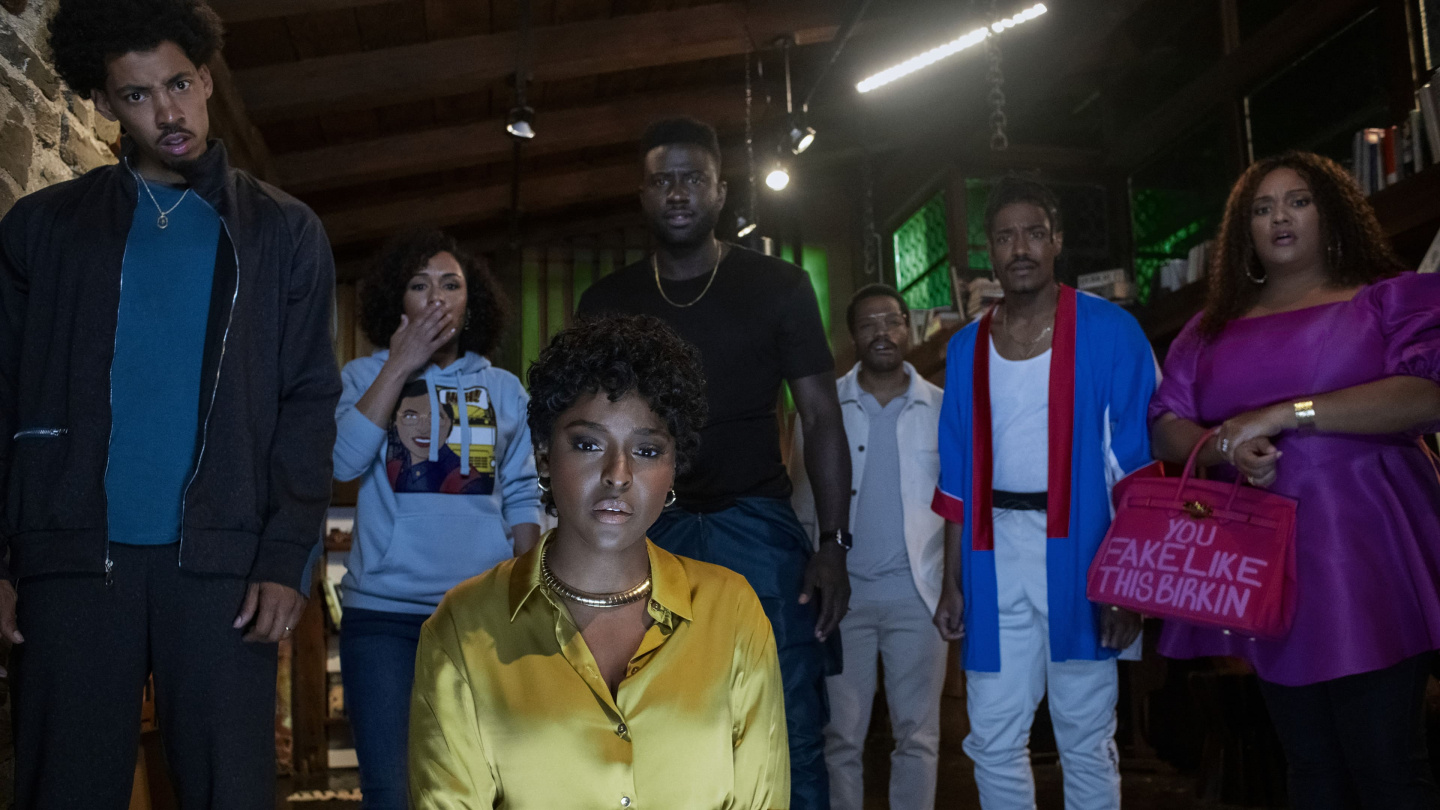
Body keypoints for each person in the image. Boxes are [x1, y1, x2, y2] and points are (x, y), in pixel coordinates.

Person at [0, 0, 341, 805]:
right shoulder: (44, 229)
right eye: (137, 95)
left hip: (222, 566)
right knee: (62, 790)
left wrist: (285, 557)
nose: (168, 112)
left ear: (208, 78)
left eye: (179, 84)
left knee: (231, 791)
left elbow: (307, 401)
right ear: (103, 103)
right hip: (69, 559)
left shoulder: (283, 232)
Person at [1150, 151, 1440, 810]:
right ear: (1245, 230)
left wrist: (1288, 414)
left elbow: (1428, 394)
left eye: (1298, 201)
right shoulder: (1210, 329)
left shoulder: (1385, 300)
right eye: (1262, 208)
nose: (1279, 217)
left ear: (1331, 213)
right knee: (1309, 769)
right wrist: (1225, 444)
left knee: (1388, 769)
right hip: (1264, 561)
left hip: (1370, 553)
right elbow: (1166, 424)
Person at [574, 116, 851, 808]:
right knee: (652, 725)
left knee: (789, 723)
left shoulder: (779, 285)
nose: (678, 192)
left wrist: (833, 545)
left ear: (720, 191)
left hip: (757, 525)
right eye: (662, 180)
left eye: (693, 178)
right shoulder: (607, 303)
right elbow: (582, 433)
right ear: (642, 195)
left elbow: (821, 415)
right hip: (648, 535)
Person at [408, 314, 789, 808]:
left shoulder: (732, 612)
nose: (618, 474)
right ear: (544, 454)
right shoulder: (463, 626)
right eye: (588, 444)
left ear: (674, 467)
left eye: (647, 450)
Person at [932, 176, 1153, 810]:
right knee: (992, 736)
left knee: (1087, 734)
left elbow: (1137, 468)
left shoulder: (1112, 331)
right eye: (1005, 237)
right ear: (990, 251)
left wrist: (1128, 584)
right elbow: (955, 480)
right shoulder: (966, 348)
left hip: (1085, 550)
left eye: (1034, 233)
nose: (1020, 247)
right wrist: (951, 582)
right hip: (991, 552)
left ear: (1057, 240)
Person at [333, 229, 541, 808]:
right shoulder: (363, 377)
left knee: (483, 789)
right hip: (382, 618)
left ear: (471, 304)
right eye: (419, 285)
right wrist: (401, 363)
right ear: (397, 303)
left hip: (479, 615)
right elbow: (343, 462)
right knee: (391, 789)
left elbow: (523, 494)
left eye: (452, 285)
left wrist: (529, 599)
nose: (436, 297)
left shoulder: (503, 389)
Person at [791, 283, 948, 810]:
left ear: (908, 327)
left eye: (892, 321)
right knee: (840, 739)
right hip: (843, 601)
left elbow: (958, 508)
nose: (882, 332)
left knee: (918, 737)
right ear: (852, 337)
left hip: (918, 598)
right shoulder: (821, 407)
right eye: (868, 324)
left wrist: (955, 587)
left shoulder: (942, 408)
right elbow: (802, 505)